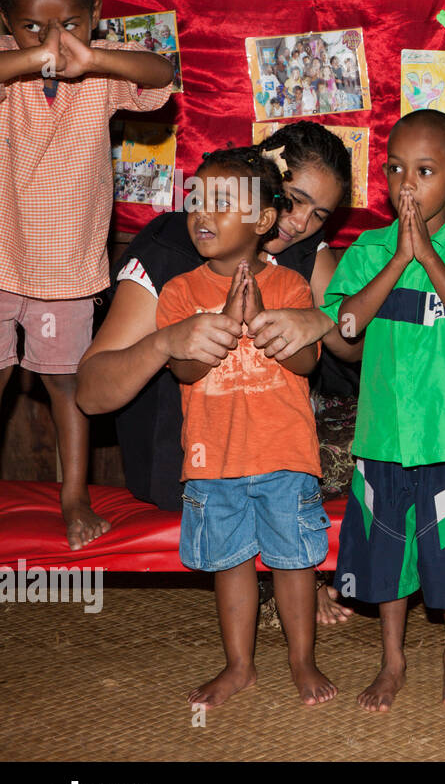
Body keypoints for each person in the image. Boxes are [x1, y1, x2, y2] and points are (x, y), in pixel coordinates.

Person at [78, 121, 360, 623]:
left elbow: (356, 346)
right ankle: (293, 571)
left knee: (382, 431)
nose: (298, 223)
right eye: (293, 201)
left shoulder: (299, 252)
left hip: (273, 450)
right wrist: (166, 342)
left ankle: (293, 564)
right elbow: (92, 393)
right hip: (191, 462)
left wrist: (317, 319)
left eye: (319, 215)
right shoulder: (171, 251)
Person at [322, 111, 445, 712]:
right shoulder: (369, 250)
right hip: (383, 436)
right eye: (396, 169)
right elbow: (346, 329)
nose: (408, 184)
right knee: (385, 554)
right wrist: (399, 259)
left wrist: (428, 257)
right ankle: (392, 659)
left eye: (425, 171)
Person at [0, 0, 173, 549]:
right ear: (6, 25)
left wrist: (93, 58)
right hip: (1, 260)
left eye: (69, 22)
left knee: (67, 383)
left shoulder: (102, 73)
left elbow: (163, 74)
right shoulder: (8, 66)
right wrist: (28, 59)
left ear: (94, 15)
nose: (51, 41)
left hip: (68, 267)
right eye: (31, 28)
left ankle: (74, 495)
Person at [156, 147, 335, 708]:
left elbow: (307, 364)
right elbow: (184, 369)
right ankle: (239, 665)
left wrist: (260, 318)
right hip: (216, 459)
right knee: (229, 564)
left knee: (294, 562)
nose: (203, 213)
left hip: (283, 453)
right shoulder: (180, 292)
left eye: (223, 203)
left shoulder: (288, 287)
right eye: (198, 200)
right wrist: (227, 322)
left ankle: (302, 660)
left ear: (261, 221)